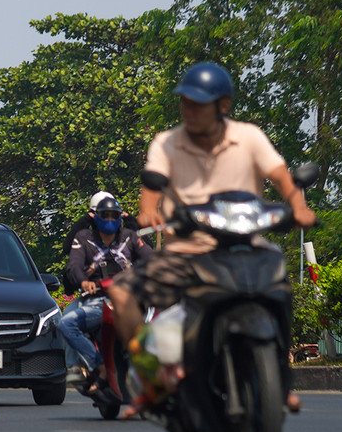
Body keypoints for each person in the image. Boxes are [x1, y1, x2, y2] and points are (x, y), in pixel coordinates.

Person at [107, 61, 316, 410]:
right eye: (184, 102)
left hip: (246, 247)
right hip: (185, 253)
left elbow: (282, 177)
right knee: (122, 296)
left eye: (198, 103)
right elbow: (151, 184)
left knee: (280, 286)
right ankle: (152, 379)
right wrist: (149, 209)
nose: (188, 110)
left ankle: (277, 380)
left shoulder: (249, 136)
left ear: (223, 106)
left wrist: (299, 206)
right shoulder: (167, 143)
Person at [56, 192, 152, 392]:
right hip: (97, 301)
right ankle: (95, 366)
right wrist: (83, 281)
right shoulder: (83, 237)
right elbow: (73, 266)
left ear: (120, 216)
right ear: (94, 215)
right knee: (66, 322)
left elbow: (151, 258)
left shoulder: (130, 236)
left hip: (130, 301)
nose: (109, 220)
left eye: (114, 215)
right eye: (103, 214)